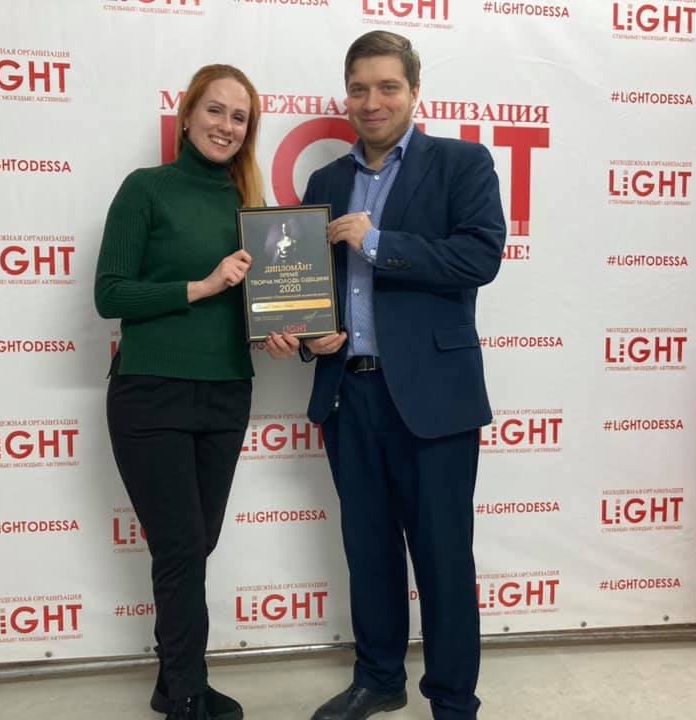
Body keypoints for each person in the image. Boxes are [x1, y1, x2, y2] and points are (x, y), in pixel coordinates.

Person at [265, 31, 506, 720]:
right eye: (360, 88)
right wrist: (304, 338)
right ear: (347, 96)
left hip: (434, 398)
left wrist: (374, 241)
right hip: (349, 394)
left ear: (414, 92)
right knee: (367, 551)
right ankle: (378, 678)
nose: (372, 101)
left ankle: (453, 700)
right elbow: (310, 291)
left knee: (443, 557)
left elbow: (479, 258)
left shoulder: (461, 163)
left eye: (388, 87)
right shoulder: (325, 183)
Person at [95, 64, 265, 720]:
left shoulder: (252, 207)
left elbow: (265, 303)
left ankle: (174, 682)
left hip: (226, 393)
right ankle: (188, 695)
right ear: (188, 115)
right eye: (215, 110)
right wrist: (202, 285)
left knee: (198, 543)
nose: (226, 125)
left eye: (239, 117)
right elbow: (110, 293)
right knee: (181, 548)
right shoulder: (146, 188)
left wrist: (285, 330)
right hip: (152, 392)